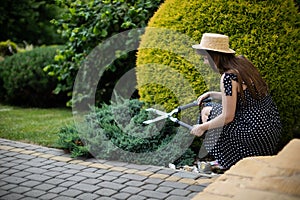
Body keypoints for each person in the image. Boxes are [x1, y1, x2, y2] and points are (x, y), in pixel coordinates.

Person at [190, 33, 282, 170]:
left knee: (207, 112)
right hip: (270, 129)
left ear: (214, 57)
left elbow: (227, 117)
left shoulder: (228, 77)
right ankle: (234, 158)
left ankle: (231, 160)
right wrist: (213, 94)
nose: (204, 62)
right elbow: (244, 94)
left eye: (205, 58)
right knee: (212, 107)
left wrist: (202, 127)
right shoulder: (243, 63)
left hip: (253, 133)